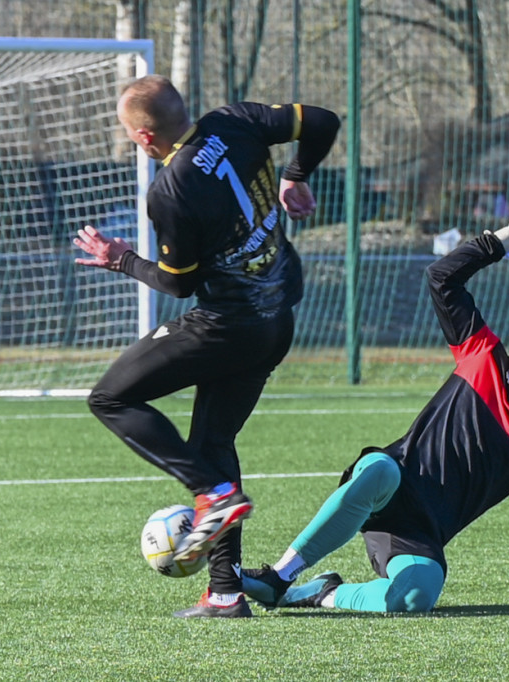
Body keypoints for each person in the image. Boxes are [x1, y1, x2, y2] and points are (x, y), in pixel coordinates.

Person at [241, 206, 509, 613]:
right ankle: (280, 576)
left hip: (422, 530)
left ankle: (319, 593)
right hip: (389, 483)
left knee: (416, 596)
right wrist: (507, 238)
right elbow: (442, 277)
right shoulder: (482, 354)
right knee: (381, 468)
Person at [73, 75, 340, 618]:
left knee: (110, 398)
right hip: (278, 318)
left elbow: (177, 282)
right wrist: (295, 175)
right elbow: (323, 121)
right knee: (214, 440)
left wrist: (120, 258)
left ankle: (210, 495)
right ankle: (224, 592)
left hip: (228, 326)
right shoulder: (235, 120)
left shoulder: (170, 190)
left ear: (145, 139)